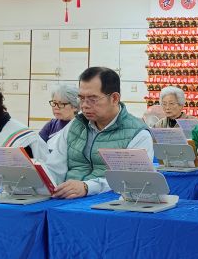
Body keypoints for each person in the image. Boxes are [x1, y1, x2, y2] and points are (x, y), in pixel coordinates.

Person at [45, 67, 154, 198]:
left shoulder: (137, 133)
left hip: (108, 202)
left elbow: (132, 181)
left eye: (92, 99)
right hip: (68, 198)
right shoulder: (75, 125)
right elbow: (54, 168)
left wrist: (87, 187)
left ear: (114, 98)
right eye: (81, 98)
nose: (84, 105)